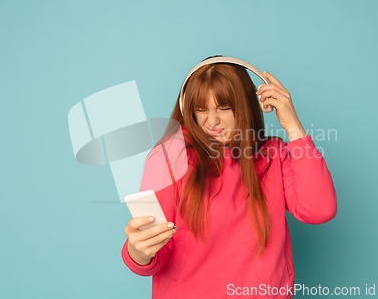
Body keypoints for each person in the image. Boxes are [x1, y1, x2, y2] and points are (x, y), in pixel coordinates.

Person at [121, 57, 337, 299]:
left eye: (224, 108)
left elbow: (319, 210)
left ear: (246, 105)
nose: (212, 121)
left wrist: (292, 125)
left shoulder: (273, 155)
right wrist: (138, 253)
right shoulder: (171, 155)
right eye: (201, 109)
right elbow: (156, 252)